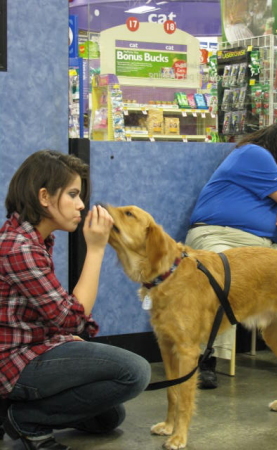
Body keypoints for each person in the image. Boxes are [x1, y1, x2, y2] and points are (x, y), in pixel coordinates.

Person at [0, 150, 151, 450]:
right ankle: (23, 418)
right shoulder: (18, 248)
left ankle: (14, 412)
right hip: (12, 364)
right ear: (44, 197)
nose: (81, 205)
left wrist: (64, 340)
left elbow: (53, 319)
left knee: (108, 417)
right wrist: (95, 249)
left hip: (32, 349)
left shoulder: (34, 239)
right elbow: (71, 319)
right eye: (72, 194)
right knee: (135, 372)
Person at [185, 121, 277, 389]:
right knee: (223, 278)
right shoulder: (254, 153)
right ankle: (205, 357)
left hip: (259, 246)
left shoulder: (265, 165)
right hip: (218, 236)